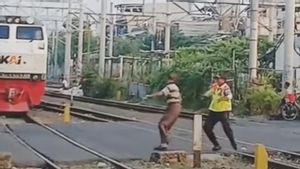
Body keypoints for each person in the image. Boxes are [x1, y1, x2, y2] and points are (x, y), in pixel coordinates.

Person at [145, 73, 182, 151]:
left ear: (170, 79)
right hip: (176, 106)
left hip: (173, 106)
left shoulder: (170, 87)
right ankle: (164, 144)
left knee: (162, 124)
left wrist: (150, 96)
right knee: (166, 125)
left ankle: (166, 141)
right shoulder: (176, 87)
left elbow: (161, 93)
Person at [203, 75, 237, 151]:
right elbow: (209, 93)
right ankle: (216, 144)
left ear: (223, 80)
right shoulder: (215, 86)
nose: (217, 80)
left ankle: (233, 143)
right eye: (216, 79)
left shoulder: (225, 87)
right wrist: (204, 95)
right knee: (206, 127)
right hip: (214, 110)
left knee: (226, 128)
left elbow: (230, 96)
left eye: (218, 79)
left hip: (223, 111)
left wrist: (224, 98)